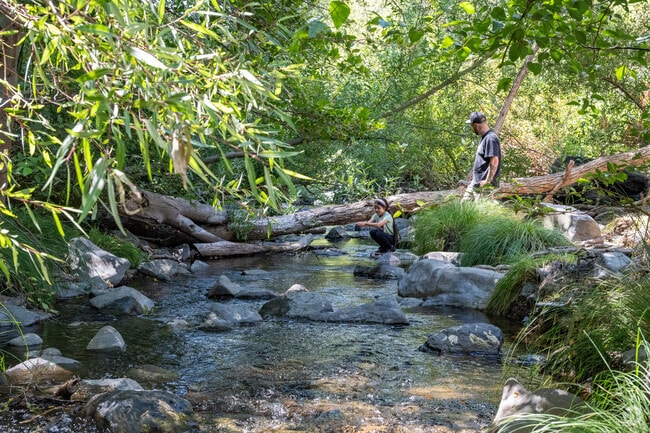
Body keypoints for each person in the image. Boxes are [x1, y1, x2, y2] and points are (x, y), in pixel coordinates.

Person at [462, 111, 502, 202]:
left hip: (484, 185)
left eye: (472, 126)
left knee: (482, 213)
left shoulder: (490, 138)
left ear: (476, 125)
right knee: (464, 206)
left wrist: (487, 182)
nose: (472, 128)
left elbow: (494, 161)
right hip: (476, 183)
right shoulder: (485, 138)